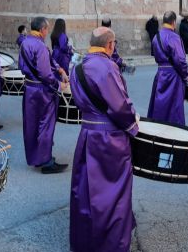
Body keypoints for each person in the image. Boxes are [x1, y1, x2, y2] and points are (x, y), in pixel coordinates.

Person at [69, 26, 139, 252]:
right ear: (110, 45)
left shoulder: (76, 67)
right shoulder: (108, 66)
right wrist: (134, 124)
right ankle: (111, 245)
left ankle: (85, 242)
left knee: (86, 190)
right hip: (110, 140)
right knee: (113, 194)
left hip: (87, 134)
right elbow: (119, 106)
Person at [19, 17, 68, 174]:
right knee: (45, 125)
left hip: (29, 89)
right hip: (42, 91)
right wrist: (58, 85)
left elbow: (24, 66)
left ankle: (36, 158)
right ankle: (46, 161)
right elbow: (45, 74)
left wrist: (60, 69)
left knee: (31, 125)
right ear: (42, 29)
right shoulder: (40, 46)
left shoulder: (25, 42)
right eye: (47, 29)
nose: (48, 32)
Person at [148, 11, 188, 126]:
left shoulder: (156, 37)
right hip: (173, 76)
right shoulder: (174, 37)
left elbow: (155, 55)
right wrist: (187, 75)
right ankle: (174, 132)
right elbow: (180, 61)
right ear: (174, 22)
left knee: (159, 105)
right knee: (174, 107)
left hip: (160, 73)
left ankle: (157, 129)